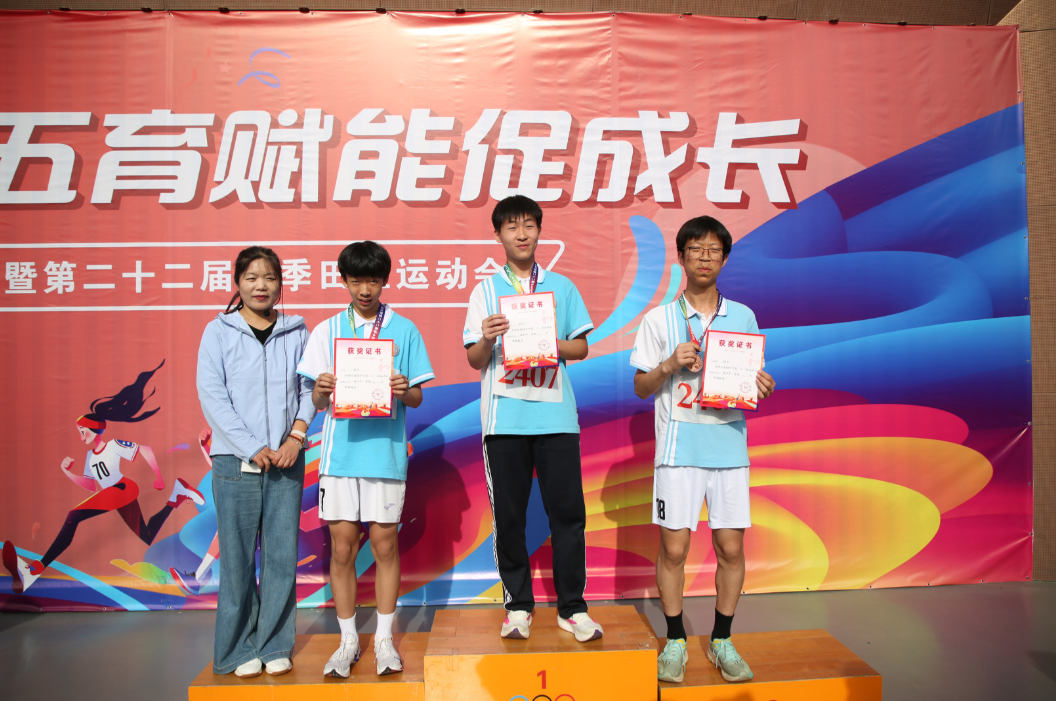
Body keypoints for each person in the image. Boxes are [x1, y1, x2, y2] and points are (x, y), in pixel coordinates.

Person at [631, 216, 776, 684]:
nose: (704, 257)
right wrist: (668, 365)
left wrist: (761, 386)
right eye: (696, 249)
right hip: (678, 450)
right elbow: (640, 386)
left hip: (728, 448)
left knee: (731, 547)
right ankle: (675, 640)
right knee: (674, 548)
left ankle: (721, 640)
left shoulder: (743, 317)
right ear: (681, 257)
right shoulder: (658, 320)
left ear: (724, 258)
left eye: (713, 250)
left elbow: (749, 381)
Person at [462, 195, 602, 642]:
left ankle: (572, 608)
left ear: (540, 231)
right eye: (511, 227)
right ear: (498, 234)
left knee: (568, 515)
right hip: (504, 422)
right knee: (510, 518)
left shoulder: (561, 286)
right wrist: (487, 339)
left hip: (556, 418)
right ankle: (518, 606)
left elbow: (581, 347)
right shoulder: (485, 291)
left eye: (528, 225)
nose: (521, 234)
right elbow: (474, 359)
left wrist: (549, 342)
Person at [296, 241, 434, 678]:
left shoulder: (403, 330)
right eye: (356, 281)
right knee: (341, 549)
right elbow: (317, 401)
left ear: (384, 280)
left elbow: (417, 396)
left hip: (385, 456)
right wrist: (321, 389)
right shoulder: (327, 331)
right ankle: (348, 641)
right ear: (343, 280)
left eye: (373, 280)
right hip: (339, 458)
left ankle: (385, 641)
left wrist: (403, 388)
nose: (365, 290)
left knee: (385, 546)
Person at [196, 246, 315, 678]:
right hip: (235, 462)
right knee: (237, 560)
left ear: (280, 283)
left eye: (269, 277)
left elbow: (308, 391)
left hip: (286, 459)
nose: (261, 285)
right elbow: (213, 397)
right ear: (237, 283)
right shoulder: (218, 332)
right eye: (251, 277)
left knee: (281, 557)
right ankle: (236, 650)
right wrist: (250, 446)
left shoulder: (297, 331)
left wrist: (295, 438)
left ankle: (275, 643)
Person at [2, 361, 204, 595]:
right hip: (113, 494)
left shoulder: (113, 446)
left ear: (94, 429)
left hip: (122, 489)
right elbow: (90, 486)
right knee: (147, 536)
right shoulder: (90, 457)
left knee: (74, 516)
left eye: (83, 432)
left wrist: (158, 477)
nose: (81, 437)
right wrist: (68, 472)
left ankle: (34, 569)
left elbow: (145, 450)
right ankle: (176, 495)